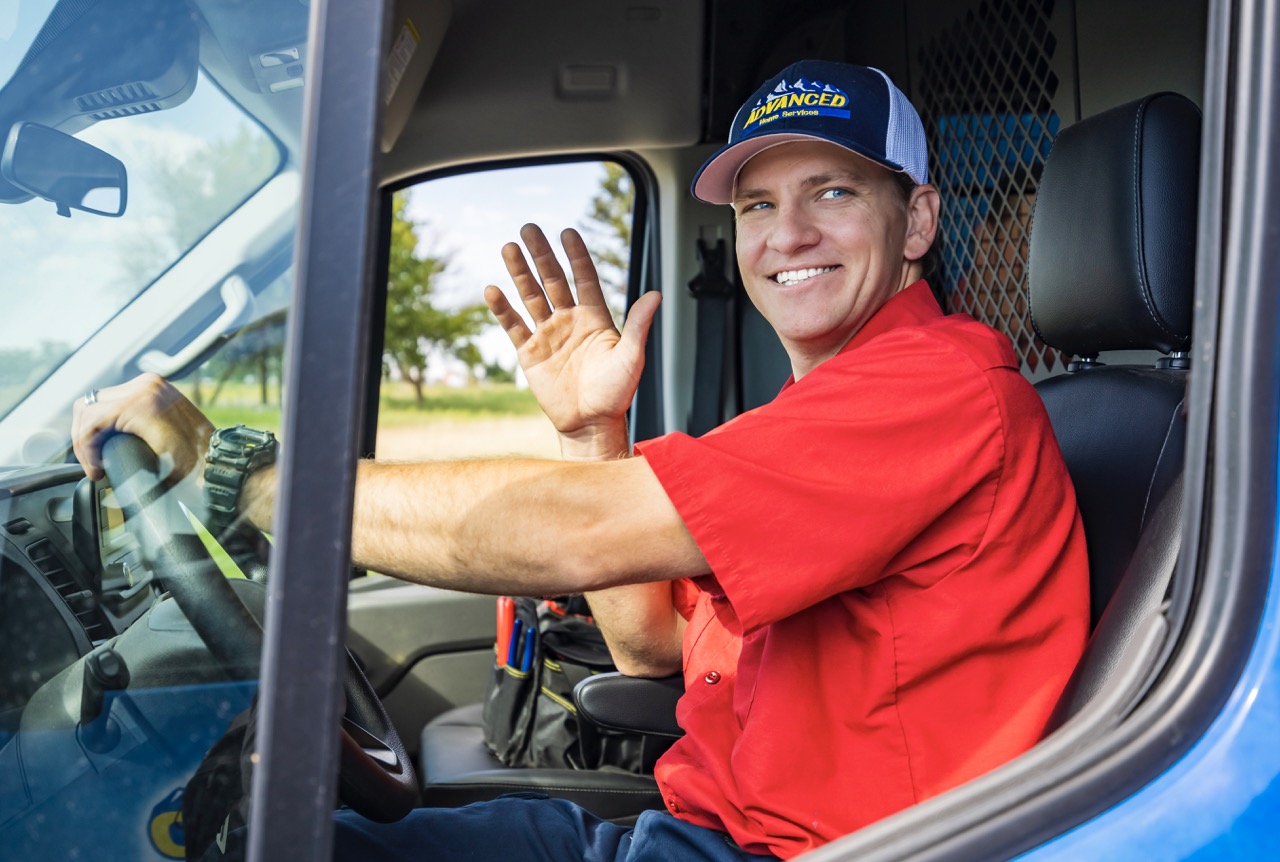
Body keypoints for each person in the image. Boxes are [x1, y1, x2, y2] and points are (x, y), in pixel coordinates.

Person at [71, 60, 1089, 861]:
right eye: (754, 206)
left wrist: (248, 473)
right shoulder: (823, 414)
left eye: (831, 191)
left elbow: (570, 533)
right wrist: (591, 436)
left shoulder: (935, 391)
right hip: (690, 833)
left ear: (915, 220)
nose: (787, 235)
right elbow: (648, 645)